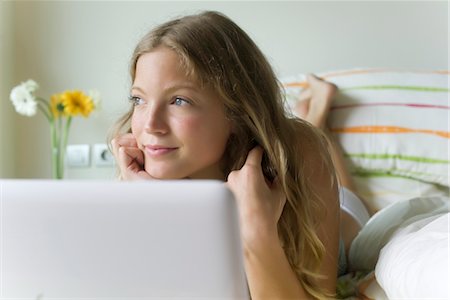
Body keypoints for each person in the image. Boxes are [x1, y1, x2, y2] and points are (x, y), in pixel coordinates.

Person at [110, 11, 368, 299]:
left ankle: (318, 117)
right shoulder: (138, 171)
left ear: (236, 111)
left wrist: (256, 228)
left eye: (179, 100)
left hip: (342, 218)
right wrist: (154, 201)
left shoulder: (298, 154)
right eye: (138, 99)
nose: (150, 125)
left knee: (346, 190)